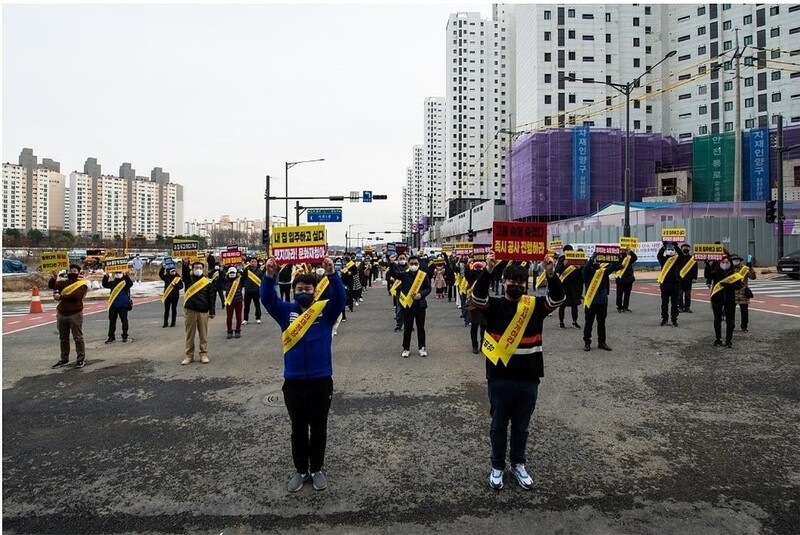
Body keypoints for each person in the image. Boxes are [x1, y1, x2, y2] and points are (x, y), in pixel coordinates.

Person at [470, 252, 564, 491]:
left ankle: (518, 464)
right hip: (500, 378)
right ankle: (497, 466)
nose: (516, 286)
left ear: (526, 284)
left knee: (522, 426)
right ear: (503, 283)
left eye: (520, 283)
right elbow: (477, 296)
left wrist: (551, 273)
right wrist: (488, 269)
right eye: (511, 282)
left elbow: (558, 298)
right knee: (498, 425)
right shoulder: (495, 305)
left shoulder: (533, 307)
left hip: (529, 377)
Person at [261, 255, 345, 493]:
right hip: (294, 381)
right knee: (298, 429)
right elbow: (267, 299)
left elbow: (340, 298)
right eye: (299, 289)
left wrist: (332, 274)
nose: (303, 292)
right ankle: (301, 470)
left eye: (307, 288)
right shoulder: (285, 311)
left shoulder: (324, 312)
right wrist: (269, 276)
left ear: (315, 290)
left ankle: (317, 469)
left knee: (319, 428)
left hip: (321, 381)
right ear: (294, 291)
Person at [48, 264, 89, 368]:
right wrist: (54, 277)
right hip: (62, 314)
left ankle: (80, 359)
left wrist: (61, 297)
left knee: (78, 338)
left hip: (75, 314)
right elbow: (53, 286)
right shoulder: (64, 282)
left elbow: (76, 296)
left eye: (74, 271)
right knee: (63, 338)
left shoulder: (82, 284)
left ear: (78, 272)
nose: (72, 272)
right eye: (70, 270)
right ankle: (64, 359)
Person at [582, 253, 621, 351]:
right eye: (596, 260)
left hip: (602, 301)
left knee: (602, 323)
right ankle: (587, 342)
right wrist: (591, 259)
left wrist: (618, 259)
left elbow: (612, 267)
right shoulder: (588, 271)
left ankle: (602, 342)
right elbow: (585, 271)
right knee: (588, 323)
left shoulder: (603, 272)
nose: (597, 262)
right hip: (591, 301)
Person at [181, 260, 216, 365]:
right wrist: (185, 265)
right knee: (190, 335)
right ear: (192, 269)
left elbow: (211, 297)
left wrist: (212, 311)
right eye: (196, 268)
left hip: (203, 311)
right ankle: (189, 356)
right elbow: (185, 274)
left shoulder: (207, 282)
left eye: (200, 268)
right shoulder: (188, 280)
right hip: (190, 310)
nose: (198, 270)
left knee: (203, 335)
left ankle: (203, 354)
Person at [399, 255, 432, 358]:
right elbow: (393, 274)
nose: (414, 265)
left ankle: (422, 347)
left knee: (421, 327)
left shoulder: (423, 275)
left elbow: (428, 288)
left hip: (420, 305)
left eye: (416, 263)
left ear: (419, 264)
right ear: (408, 264)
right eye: (412, 263)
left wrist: (421, 294)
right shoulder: (404, 275)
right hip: (408, 305)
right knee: (408, 328)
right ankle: (406, 348)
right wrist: (391, 262)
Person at [707, 254, 743, 348]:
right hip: (717, 300)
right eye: (723, 262)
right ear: (719, 263)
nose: (725, 264)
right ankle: (718, 339)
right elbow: (708, 275)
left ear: (730, 263)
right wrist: (707, 264)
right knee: (717, 320)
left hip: (729, 300)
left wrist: (728, 285)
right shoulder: (716, 271)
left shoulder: (733, 274)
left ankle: (728, 340)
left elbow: (739, 286)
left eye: (727, 262)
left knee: (730, 321)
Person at [656, 242, 686, 327]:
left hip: (675, 283)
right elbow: (659, 255)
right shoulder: (663, 259)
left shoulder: (677, 260)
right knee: (664, 303)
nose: (670, 251)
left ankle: (674, 319)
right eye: (668, 249)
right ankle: (664, 319)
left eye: (672, 249)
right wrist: (663, 247)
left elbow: (682, 256)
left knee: (674, 303)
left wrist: (676, 247)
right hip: (665, 283)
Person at [102, 269, 133, 343]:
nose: (118, 274)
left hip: (123, 305)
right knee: (112, 322)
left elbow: (130, 284)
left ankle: (125, 335)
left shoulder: (125, 282)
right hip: (113, 305)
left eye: (119, 273)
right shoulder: (113, 283)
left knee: (124, 321)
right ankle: (111, 336)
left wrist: (125, 275)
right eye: (116, 273)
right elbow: (105, 284)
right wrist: (106, 276)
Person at [556, 247, 583, 329]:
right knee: (562, 305)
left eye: (570, 250)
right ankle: (561, 322)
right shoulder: (561, 259)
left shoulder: (576, 258)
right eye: (567, 251)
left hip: (574, 286)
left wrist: (579, 268)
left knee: (575, 305)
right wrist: (563, 265)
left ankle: (574, 322)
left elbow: (582, 272)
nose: (569, 252)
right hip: (564, 286)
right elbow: (557, 270)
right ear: (564, 252)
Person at [732, 255, 756, 333]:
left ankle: (744, 326)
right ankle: (731, 325)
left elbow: (753, 277)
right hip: (733, 293)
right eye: (734, 260)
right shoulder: (729, 269)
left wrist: (751, 268)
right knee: (731, 311)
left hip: (743, 293)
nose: (736, 262)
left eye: (737, 260)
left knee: (744, 312)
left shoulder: (744, 269)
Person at [221, 266, 244, 339]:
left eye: (233, 272)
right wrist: (221, 270)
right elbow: (220, 277)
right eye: (230, 272)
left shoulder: (239, 280)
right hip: (229, 301)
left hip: (238, 300)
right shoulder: (225, 280)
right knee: (229, 317)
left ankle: (238, 330)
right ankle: (229, 331)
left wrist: (241, 270)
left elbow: (246, 274)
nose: (232, 274)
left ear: (236, 273)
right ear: (228, 273)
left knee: (239, 316)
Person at [614, 247, 638, 313]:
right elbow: (613, 268)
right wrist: (621, 266)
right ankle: (619, 307)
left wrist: (630, 251)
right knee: (619, 294)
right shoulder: (617, 258)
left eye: (624, 249)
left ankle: (625, 307)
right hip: (620, 278)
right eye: (621, 249)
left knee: (627, 294)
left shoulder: (628, 258)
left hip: (629, 278)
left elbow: (635, 258)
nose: (623, 251)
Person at [242, 257, 263, 325]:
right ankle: (245, 319)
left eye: (255, 261)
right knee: (246, 306)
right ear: (250, 262)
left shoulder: (259, 271)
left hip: (256, 291)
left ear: (256, 263)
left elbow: (261, 281)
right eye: (252, 261)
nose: (253, 263)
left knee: (257, 305)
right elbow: (242, 279)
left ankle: (258, 318)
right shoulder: (246, 270)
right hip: (248, 290)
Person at [678, 243, 698, 313]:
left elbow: (695, 269)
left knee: (688, 294)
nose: (685, 249)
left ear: (689, 249)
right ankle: (680, 306)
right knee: (679, 294)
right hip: (679, 279)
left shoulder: (692, 259)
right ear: (681, 249)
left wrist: (694, 278)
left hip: (688, 279)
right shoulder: (678, 258)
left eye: (687, 247)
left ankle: (687, 307)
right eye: (684, 247)